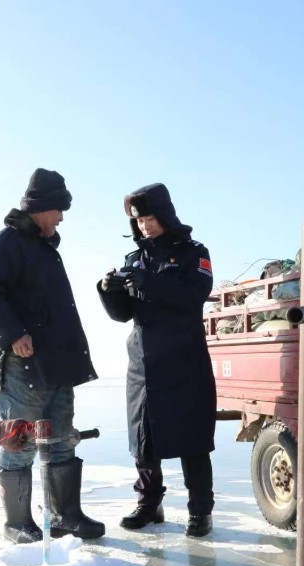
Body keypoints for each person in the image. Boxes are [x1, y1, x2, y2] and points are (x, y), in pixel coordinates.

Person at [0, 168, 105, 544]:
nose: (62, 218)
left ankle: (67, 516)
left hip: (57, 364)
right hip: (20, 365)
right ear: (41, 208)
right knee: (21, 440)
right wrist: (13, 334)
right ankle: (17, 524)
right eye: (58, 210)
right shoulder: (6, 244)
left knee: (62, 438)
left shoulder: (46, 250)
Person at [97, 183, 216, 537]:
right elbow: (123, 315)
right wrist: (109, 292)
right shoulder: (134, 259)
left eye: (149, 218)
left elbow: (196, 294)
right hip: (143, 364)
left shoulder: (194, 252)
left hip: (184, 360)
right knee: (144, 440)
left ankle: (200, 512)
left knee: (191, 439)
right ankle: (149, 505)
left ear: (164, 215)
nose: (145, 226)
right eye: (139, 220)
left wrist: (149, 282)